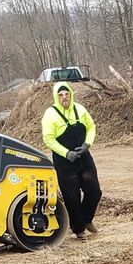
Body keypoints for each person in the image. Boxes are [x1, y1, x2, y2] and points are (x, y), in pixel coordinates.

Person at [41, 81, 102, 241]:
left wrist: (87, 144)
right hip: (64, 162)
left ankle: (87, 219)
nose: (64, 97)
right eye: (61, 95)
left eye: (67, 94)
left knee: (94, 191)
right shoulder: (50, 114)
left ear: (71, 94)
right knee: (72, 197)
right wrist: (66, 153)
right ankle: (79, 229)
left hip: (84, 157)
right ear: (56, 97)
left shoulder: (80, 109)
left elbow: (91, 127)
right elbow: (48, 139)